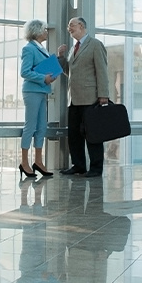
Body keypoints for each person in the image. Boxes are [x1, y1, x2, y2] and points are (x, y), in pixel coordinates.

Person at [56, 17, 109, 178]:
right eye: (68, 26)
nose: (68, 28)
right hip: (74, 98)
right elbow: (69, 73)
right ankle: (78, 165)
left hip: (90, 98)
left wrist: (103, 95)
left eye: (71, 25)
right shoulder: (73, 49)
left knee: (92, 134)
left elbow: (102, 71)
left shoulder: (95, 45)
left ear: (81, 26)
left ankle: (95, 168)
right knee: (74, 134)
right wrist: (60, 57)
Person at [19, 19, 56, 179]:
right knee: (30, 126)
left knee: (41, 126)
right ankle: (24, 162)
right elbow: (25, 72)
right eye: (45, 30)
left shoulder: (42, 49)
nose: (47, 32)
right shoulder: (29, 49)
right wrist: (43, 78)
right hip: (32, 91)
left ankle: (39, 161)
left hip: (42, 91)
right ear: (37, 31)